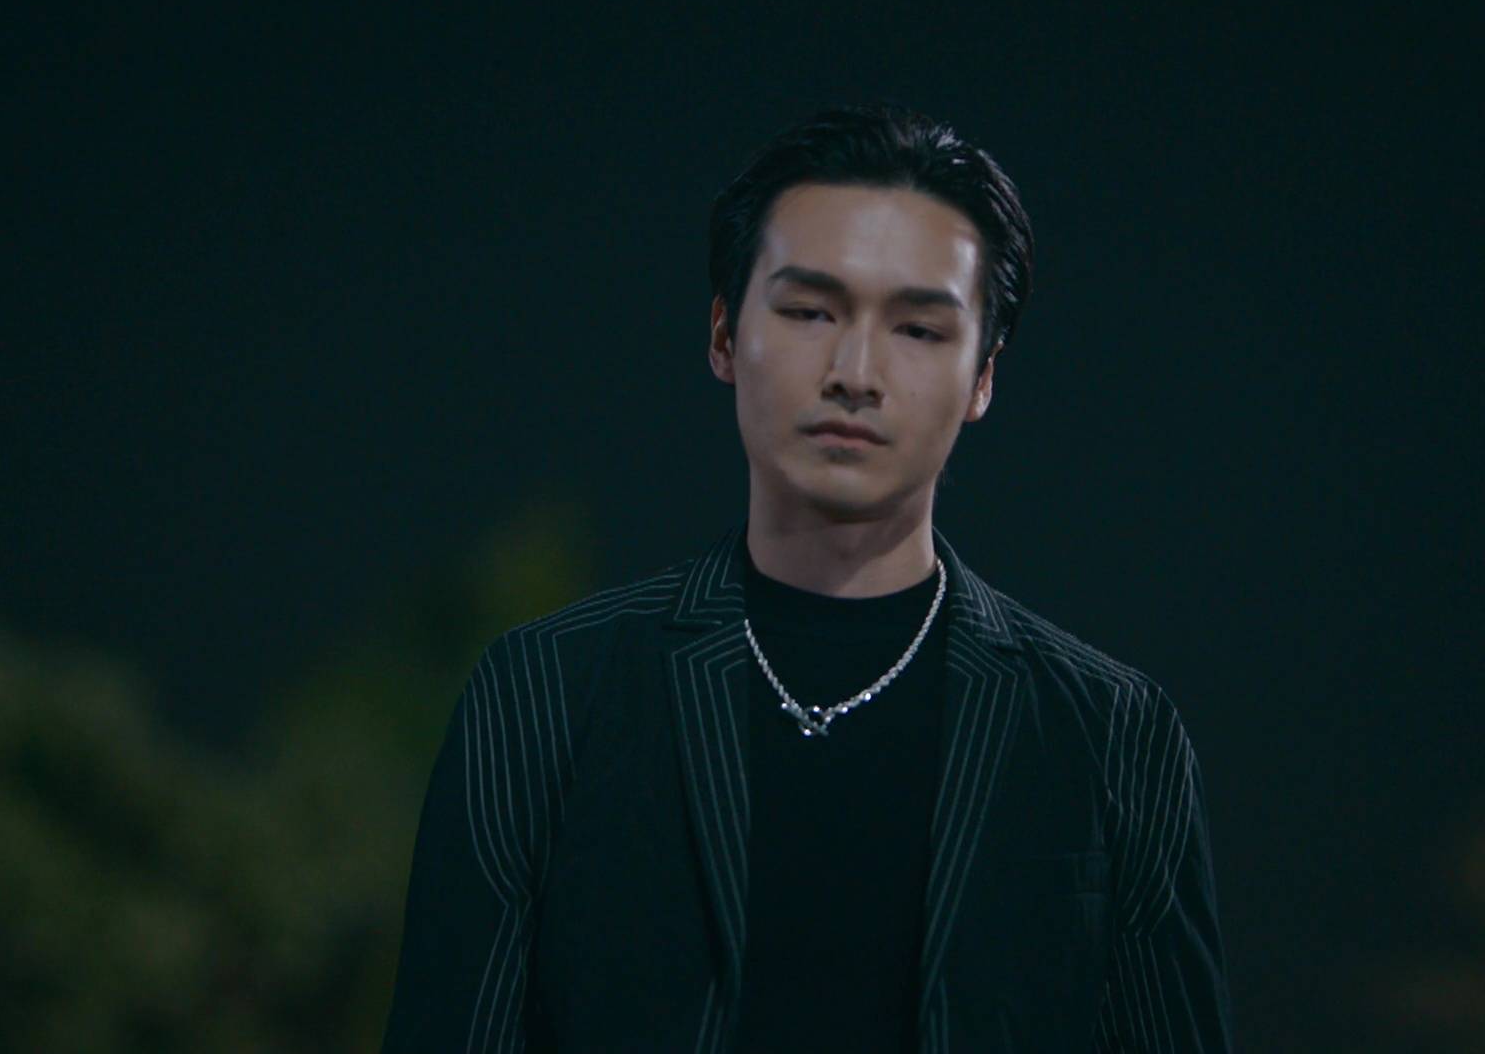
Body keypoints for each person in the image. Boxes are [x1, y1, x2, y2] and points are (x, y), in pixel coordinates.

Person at [381, 102, 1235, 1052]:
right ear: (722, 334)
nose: (855, 372)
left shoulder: (1112, 735)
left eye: (919, 329)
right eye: (809, 312)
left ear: (984, 377)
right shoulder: (544, 696)